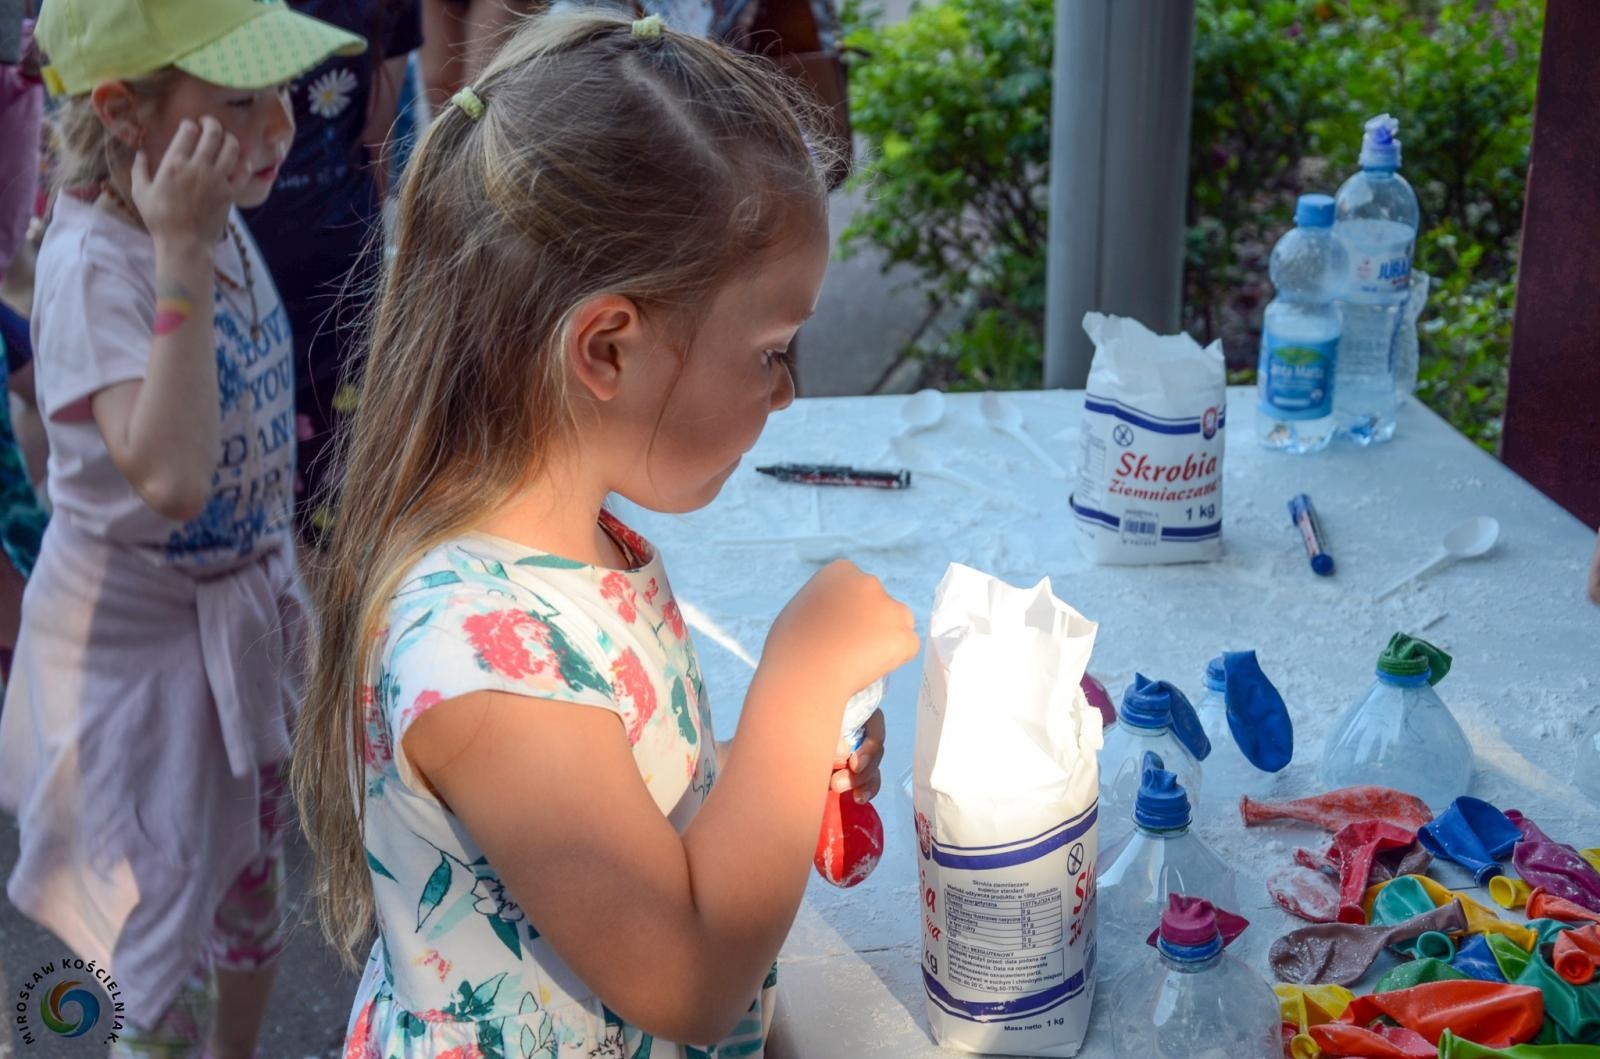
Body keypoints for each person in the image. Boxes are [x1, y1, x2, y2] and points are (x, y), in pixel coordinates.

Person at [292, 12, 918, 1057]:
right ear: (607, 350)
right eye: (769, 350)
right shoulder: (479, 659)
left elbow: (625, 788)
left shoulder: (577, 545)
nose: (789, 393)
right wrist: (797, 687)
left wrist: (771, 766)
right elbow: (684, 978)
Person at [0, 2, 365, 1055]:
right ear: (121, 110)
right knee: (153, 935)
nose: (281, 127)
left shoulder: (196, 214)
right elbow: (167, 474)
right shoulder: (101, 264)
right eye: (240, 100)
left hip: (230, 646)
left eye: (283, 92)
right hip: (140, 673)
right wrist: (182, 262)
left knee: (248, 898)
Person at [241, 0, 422, 546]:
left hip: (237, 269)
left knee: (258, 518)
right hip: (340, 271)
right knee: (333, 524)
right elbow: (376, 136)